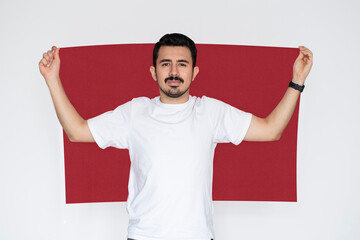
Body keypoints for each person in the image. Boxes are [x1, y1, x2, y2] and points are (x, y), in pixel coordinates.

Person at [39, 33, 313, 240]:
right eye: (165, 64)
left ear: (194, 72)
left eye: (182, 64)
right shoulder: (135, 112)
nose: (173, 72)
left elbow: (271, 129)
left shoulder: (211, 111)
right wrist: (52, 79)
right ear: (153, 71)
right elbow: (77, 132)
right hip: (143, 236)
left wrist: (297, 81)